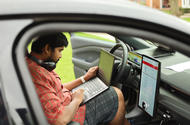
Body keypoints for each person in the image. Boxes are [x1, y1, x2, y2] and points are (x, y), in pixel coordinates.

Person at [26, 33, 131, 125]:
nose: (61, 55)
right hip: (72, 115)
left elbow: (58, 88)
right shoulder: (37, 75)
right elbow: (59, 120)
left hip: (69, 102)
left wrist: (84, 79)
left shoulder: (37, 65)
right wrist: (77, 100)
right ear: (47, 49)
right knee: (116, 94)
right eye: (59, 50)